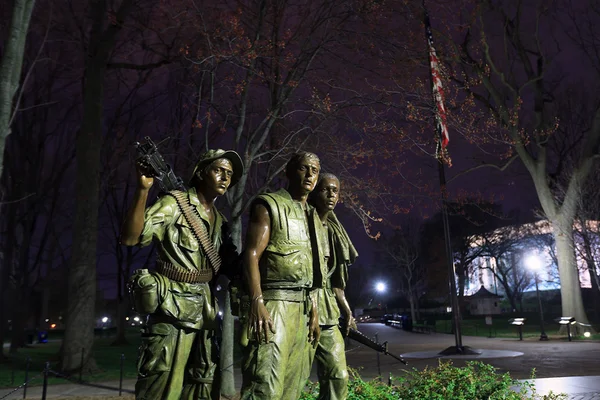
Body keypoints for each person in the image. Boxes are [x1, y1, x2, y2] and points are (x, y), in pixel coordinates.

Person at [120, 149, 243, 400]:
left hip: (206, 314)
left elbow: (233, 267)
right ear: (201, 172)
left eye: (229, 174)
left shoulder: (221, 222)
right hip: (172, 310)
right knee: (162, 387)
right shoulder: (174, 204)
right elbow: (132, 238)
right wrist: (143, 190)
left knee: (203, 387)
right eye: (218, 170)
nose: (225, 177)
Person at [241, 152, 325, 400]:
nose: (310, 175)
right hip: (275, 303)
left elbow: (314, 272)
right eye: (303, 168)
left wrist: (315, 311)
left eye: (314, 170)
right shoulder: (269, 205)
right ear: (289, 172)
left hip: (304, 309)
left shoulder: (313, 216)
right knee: (265, 384)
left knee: (293, 386)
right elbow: (251, 255)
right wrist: (257, 301)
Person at [307, 173, 358, 400]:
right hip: (301, 308)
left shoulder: (335, 231)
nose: (331, 195)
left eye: (335, 190)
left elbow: (335, 281)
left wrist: (346, 310)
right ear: (315, 192)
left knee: (338, 375)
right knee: (294, 377)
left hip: (328, 312)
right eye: (325, 189)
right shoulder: (301, 223)